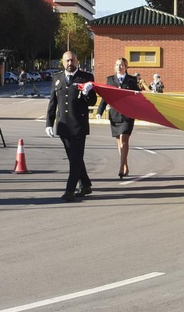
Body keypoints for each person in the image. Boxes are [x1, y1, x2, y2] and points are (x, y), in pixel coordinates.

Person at [45, 49, 96, 201]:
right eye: (67, 60)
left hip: (78, 125)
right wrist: (49, 122)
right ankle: (85, 184)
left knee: (75, 158)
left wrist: (87, 93)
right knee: (74, 157)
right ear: (62, 62)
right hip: (63, 125)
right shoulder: (57, 78)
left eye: (72, 60)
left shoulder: (86, 77)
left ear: (77, 61)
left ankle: (70, 190)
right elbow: (53, 102)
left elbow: (92, 101)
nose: (70, 63)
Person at [101, 58, 140, 179]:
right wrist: (99, 111)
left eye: (122, 65)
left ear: (126, 67)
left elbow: (138, 94)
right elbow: (105, 96)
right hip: (115, 114)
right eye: (117, 65)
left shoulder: (132, 80)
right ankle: (125, 165)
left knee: (124, 139)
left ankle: (120, 168)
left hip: (128, 114)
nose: (119, 67)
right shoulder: (110, 80)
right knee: (119, 141)